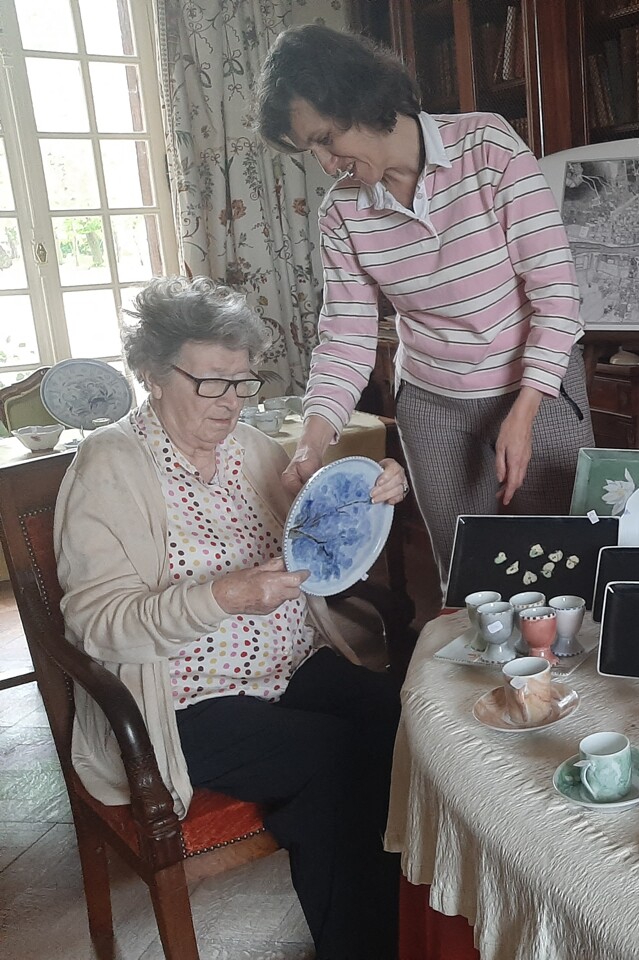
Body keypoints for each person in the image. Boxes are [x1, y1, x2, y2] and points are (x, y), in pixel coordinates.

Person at [54, 276, 406, 959]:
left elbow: (319, 542)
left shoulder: (252, 449)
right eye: (212, 383)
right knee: (330, 760)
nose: (232, 402)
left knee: (407, 718)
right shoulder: (110, 466)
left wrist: (371, 491)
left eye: (243, 382)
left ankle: (416, 930)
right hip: (186, 700)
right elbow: (97, 625)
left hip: (291, 666)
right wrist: (225, 597)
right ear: (153, 375)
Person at [255, 24, 595, 590]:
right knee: (468, 581)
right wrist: (313, 442)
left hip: (538, 390)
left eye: (325, 138)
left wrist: (527, 408)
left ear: (362, 102)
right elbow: (346, 338)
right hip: (434, 407)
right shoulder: (342, 214)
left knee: (563, 572)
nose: (323, 162)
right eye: (308, 150)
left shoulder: (487, 147)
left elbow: (556, 296)